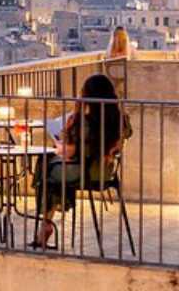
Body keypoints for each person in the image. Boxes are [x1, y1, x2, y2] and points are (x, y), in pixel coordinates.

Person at [32, 74, 127, 248]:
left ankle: (45, 223)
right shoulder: (121, 120)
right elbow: (118, 142)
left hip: (83, 172)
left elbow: (70, 152)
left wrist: (59, 144)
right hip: (106, 171)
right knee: (54, 173)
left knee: (45, 167)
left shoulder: (83, 122)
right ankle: (46, 223)